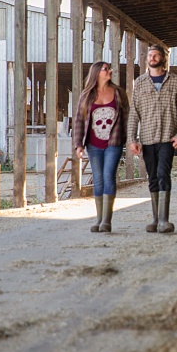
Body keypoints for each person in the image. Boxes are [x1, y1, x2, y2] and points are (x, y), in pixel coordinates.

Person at [128, 43, 177, 235]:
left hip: (167, 138)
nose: (152, 58)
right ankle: (155, 219)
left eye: (156, 55)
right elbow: (134, 113)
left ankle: (164, 220)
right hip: (146, 138)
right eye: (150, 55)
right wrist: (132, 138)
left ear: (163, 59)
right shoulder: (139, 83)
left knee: (164, 173)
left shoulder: (175, 81)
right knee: (153, 176)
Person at [72, 62, 127, 234]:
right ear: (97, 73)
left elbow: (127, 117)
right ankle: (98, 218)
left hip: (114, 142)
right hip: (93, 144)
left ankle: (106, 221)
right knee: (98, 179)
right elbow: (79, 120)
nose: (109, 71)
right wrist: (78, 144)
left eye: (109, 68)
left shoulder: (118, 93)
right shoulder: (86, 95)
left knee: (108, 176)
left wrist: (130, 139)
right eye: (105, 69)